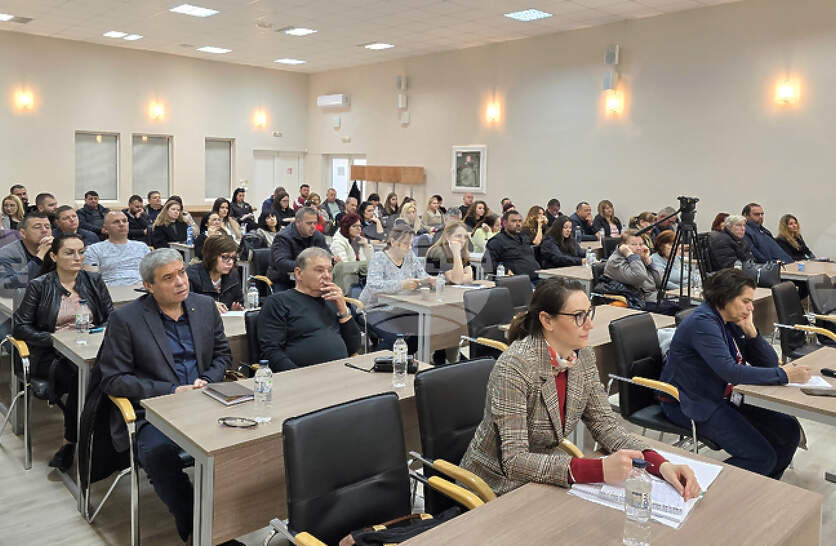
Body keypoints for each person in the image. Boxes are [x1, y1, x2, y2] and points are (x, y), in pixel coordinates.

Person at [460, 277, 699, 498]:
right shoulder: (515, 367)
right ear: (547, 320)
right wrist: (599, 469)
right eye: (578, 316)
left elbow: (605, 424)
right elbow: (514, 461)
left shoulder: (581, 356)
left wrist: (660, 465)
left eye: (588, 313)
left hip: (544, 476)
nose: (590, 325)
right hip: (495, 484)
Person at [98, 249, 230, 542]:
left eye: (182, 272)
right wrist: (171, 390)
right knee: (159, 455)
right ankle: (197, 529)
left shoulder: (204, 306)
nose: (180, 282)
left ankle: (228, 521)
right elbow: (114, 380)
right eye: (168, 278)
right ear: (149, 286)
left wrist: (208, 380)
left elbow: (222, 354)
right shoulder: (126, 319)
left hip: (206, 400)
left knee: (247, 444)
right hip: (154, 412)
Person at [660, 268, 809, 478]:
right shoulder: (703, 323)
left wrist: (751, 331)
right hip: (692, 402)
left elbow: (768, 363)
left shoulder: (729, 320)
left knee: (789, 429)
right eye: (746, 301)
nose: (751, 307)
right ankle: (704, 487)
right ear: (725, 297)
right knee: (760, 457)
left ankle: (762, 486)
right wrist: (785, 376)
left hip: (724, 395)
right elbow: (730, 372)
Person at [14, 233, 114, 471]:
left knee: (111, 376)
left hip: (91, 348)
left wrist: (100, 333)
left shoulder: (93, 280)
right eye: (69, 253)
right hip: (51, 354)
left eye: (81, 252)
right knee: (84, 380)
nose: (77, 257)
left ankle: (105, 442)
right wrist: (53, 340)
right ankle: (71, 443)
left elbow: (111, 317)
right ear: (53, 256)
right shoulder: (40, 285)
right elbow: (20, 327)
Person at [258, 247, 361, 371]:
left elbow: (353, 347)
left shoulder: (332, 300)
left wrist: (343, 311)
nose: (327, 276)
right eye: (319, 270)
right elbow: (271, 352)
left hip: (341, 372)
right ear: (299, 273)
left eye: (329, 270)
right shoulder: (278, 302)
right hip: (300, 377)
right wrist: (299, 377)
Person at [360, 223, 435, 352]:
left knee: (426, 329)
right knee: (394, 338)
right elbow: (373, 286)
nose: (409, 247)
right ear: (393, 242)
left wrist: (430, 281)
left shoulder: (410, 256)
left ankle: (404, 357)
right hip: (374, 308)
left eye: (411, 244)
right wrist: (402, 284)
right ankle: (376, 360)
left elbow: (422, 275)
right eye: (406, 244)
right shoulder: (379, 258)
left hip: (400, 308)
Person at [266, 207, 333, 290]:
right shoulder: (283, 237)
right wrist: (308, 266)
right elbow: (282, 263)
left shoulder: (317, 235)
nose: (313, 226)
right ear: (298, 222)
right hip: (285, 281)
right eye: (309, 223)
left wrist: (332, 259)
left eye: (315, 223)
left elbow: (326, 255)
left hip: (311, 279)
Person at [83, 211, 149, 286]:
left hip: (140, 288)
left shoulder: (142, 247)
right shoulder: (94, 250)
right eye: (116, 222)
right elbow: (92, 280)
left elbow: (152, 273)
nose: (121, 224)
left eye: (124, 221)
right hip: (109, 289)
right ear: (105, 228)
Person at [604, 230, 664, 307]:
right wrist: (630, 255)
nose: (639, 248)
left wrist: (648, 261)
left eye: (641, 244)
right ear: (623, 246)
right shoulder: (615, 261)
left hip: (656, 299)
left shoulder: (640, 258)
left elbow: (661, 282)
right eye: (634, 244)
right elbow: (640, 276)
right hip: (640, 303)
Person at [186, 234, 243, 313]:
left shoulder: (233, 274)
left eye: (233, 258)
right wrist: (208, 305)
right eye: (225, 257)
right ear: (211, 256)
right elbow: (186, 305)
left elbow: (239, 301)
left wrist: (234, 310)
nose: (230, 262)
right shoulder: (192, 275)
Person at [485, 209, 542, 282]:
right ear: (505, 223)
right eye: (514, 221)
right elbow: (487, 263)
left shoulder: (524, 237)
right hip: (517, 281)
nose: (518, 224)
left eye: (520, 221)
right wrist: (506, 271)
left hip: (538, 276)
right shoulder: (497, 241)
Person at [0, 212, 52, 289]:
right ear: (23, 233)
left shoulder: (56, 249)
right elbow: (7, 285)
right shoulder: (6, 253)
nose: (44, 230)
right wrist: (39, 257)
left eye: (47, 227)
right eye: (37, 227)